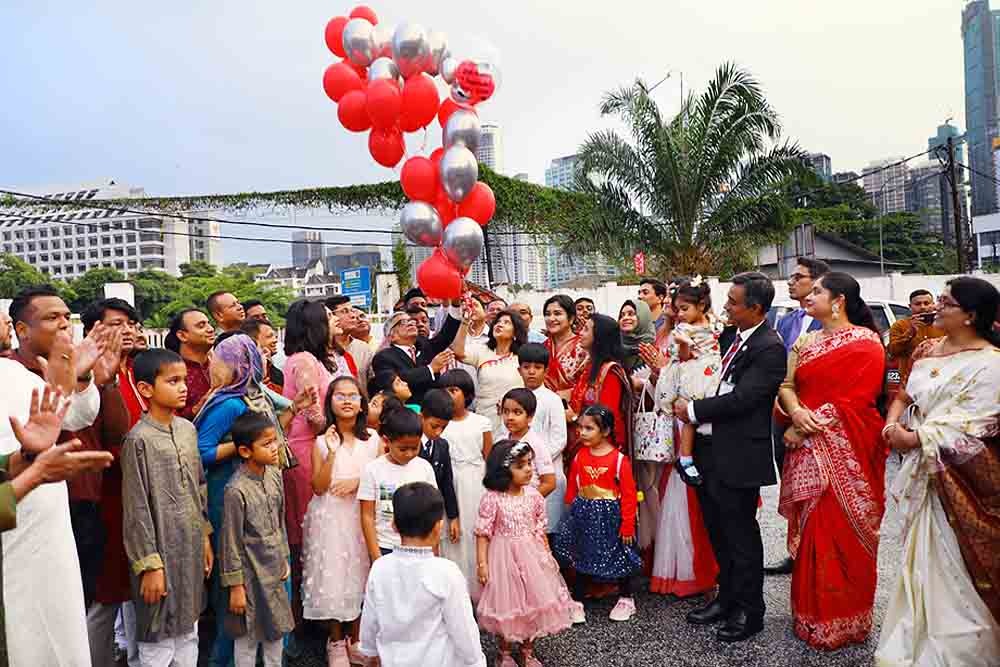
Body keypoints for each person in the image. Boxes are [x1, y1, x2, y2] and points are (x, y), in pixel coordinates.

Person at [876, 276, 1000, 665]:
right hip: (921, 470)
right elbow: (903, 393)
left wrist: (915, 439)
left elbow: (978, 425)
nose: (935, 308)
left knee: (955, 563)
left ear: (970, 315)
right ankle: (917, 636)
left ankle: (962, 648)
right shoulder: (924, 347)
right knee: (919, 559)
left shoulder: (992, 364)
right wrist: (891, 424)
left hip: (960, 479)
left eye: (945, 303)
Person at [673, 271, 785, 643]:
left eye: (733, 302)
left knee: (741, 537)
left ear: (754, 308)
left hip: (738, 454)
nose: (726, 307)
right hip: (710, 450)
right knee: (717, 531)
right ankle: (727, 597)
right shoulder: (731, 337)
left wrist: (693, 410)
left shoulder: (769, 347)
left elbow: (744, 399)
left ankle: (751, 612)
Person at [776, 272, 886, 650]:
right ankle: (810, 615)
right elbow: (787, 386)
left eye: (818, 290)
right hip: (808, 448)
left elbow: (856, 401)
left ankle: (846, 620)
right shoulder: (805, 343)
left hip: (848, 449)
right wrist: (794, 414)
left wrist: (805, 426)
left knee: (844, 532)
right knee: (813, 532)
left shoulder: (866, 342)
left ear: (838, 300)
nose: (809, 294)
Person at [2, 286, 106, 666]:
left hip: (51, 518)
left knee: (60, 620)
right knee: (22, 627)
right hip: (14, 516)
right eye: (51, 318)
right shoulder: (7, 372)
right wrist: (28, 458)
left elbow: (79, 416)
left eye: (66, 317)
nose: (64, 325)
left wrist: (79, 377)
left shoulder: (36, 372)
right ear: (21, 330)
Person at [196, 333, 311, 665]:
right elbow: (201, 451)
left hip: (258, 487)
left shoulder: (253, 395)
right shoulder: (231, 403)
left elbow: (273, 427)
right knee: (237, 584)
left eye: (218, 359)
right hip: (230, 492)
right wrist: (244, 445)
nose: (212, 364)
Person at [122, 349, 212, 667]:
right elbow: (136, 510)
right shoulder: (138, 440)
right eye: (172, 381)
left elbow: (199, 487)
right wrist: (150, 565)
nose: (183, 387)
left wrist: (204, 537)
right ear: (146, 389)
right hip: (158, 554)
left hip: (188, 548)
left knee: (188, 629)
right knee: (157, 637)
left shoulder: (187, 430)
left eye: (184, 380)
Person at [476, 440, 580, 666]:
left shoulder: (533, 496)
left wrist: (546, 556)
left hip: (531, 555)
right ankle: (504, 652)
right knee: (507, 603)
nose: (528, 469)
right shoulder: (492, 498)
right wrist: (482, 564)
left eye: (529, 463)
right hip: (503, 557)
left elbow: (539, 528)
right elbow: (483, 533)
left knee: (533, 602)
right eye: (520, 465)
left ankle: (528, 650)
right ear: (503, 469)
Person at [358, 482, 486, 667]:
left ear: (393, 525)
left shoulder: (380, 568)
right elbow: (463, 628)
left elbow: (370, 619)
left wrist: (369, 650)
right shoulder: (447, 572)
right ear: (438, 527)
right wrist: (475, 661)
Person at [301, 376, 379, 667]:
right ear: (330, 402)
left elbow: (382, 478)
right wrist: (332, 454)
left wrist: (358, 482)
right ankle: (335, 639)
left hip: (362, 516)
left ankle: (356, 638)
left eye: (353, 395)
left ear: (361, 403)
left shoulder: (374, 440)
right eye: (339, 395)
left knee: (361, 573)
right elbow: (318, 486)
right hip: (331, 518)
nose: (347, 400)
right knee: (333, 574)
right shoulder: (321, 442)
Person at [765, 257, 829, 576]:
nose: (791, 283)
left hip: (816, 417)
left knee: (819, 492)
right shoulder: (787, 320)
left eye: (798, 277)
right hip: (782, 411)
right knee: (790, 486)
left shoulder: (833, 324)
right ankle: (796, 549)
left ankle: (820, 551)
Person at [555, 405, 642, 623]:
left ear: (605, 431)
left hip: (611, 516)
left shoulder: (620, 460)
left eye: (589, 428)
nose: (581, 433)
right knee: (582, 554)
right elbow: (573, 488)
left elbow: (629, 496)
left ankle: (626, 597)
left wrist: (627, 525)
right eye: (580, 428)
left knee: (619, 554)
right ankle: (578, 600)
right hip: (584, 515)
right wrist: (570, 514)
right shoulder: (579, 456)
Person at [221, 412, 294, 667]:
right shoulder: (236, 490)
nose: (274, 448)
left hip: (274, 570)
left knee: (276, 633)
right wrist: (236, 587)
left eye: (275, 441)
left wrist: (284, 558)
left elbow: (280, 519)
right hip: (249, 576)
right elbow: (230, 542)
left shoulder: (274, 475)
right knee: (247, 639)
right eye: (266, 444)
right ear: (245, 451)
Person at [657, 280, 721, 486]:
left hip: (712, 371)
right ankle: (685, 458)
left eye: (684, 309)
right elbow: (684, 357)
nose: (680, 314)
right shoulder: (682, 330)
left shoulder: (714, 321)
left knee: (707, 411)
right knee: (690, 415)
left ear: (701, 306)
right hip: (694, 373)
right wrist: (684, 345)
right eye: (678, 310)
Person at [437, 369, 493, 598]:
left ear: (467, 393)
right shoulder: (439, 425)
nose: (448, 396)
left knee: (475, 532)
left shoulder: (481, 422)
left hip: (476, 483)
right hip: (450, 484)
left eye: (454, 390)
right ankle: (456, 594)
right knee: (452, 536)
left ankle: (482, 590)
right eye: (444, 391)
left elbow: (489, 457)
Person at [359, 408, 438, 560]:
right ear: (386, 441)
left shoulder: (424, 468)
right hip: (386, 546)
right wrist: (376, 555)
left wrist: (433, 550)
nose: (409, 454)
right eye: (402, 449)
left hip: (420, 546)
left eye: (414, 448)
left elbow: (433, 510)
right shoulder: (373, 470)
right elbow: (367, 516)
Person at [567, 314, 633, 466]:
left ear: (598, 337)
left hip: (601, 451)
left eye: (586, 330)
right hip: (584, 443)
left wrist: (575, 419)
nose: (580, 333)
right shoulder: (588, 367)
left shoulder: (609, 372)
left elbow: (607, 417)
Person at [516, 344, 568, 536]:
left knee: (546, 532)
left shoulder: (552, 400)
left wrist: (533, 459)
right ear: (519, 369)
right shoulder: (514, 397)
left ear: (546, 371)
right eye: (526, 367)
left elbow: (559, 439)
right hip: (519, 472)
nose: (531, 372)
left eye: (537, 367)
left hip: (548, 473)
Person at [452, 309, 527, 438]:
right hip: (484, 417)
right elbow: (458, 352)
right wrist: (465, 322)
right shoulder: (482, 351)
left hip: (512, 418)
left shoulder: (522, 356)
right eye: (498, 322)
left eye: (506, 322)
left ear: (515, 332)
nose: (500, 324)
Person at [372, 306, 461, 405]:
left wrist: (455, 305)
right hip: (405, 413)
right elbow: (397, 381)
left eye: (411, 321)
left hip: (434, 409)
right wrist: (430, 369)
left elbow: (446, 334)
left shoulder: (424, 346)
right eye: (403, 322)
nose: (411, 323)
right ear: (392, 336)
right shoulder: (383, 357)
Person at [419, 389, 461, 546]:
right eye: (434, 426)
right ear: (421, 416)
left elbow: (446, 483)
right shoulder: (408, 444)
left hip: (433, 514)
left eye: (443, 428)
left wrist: (453, 516)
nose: (438, 432)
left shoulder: (442, 445)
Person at [497, 388, 556, 497]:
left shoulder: (536, 444)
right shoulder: (501, 442)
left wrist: (526, 502)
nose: (510, 417)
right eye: (506, 411)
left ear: (530, 416)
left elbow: (549, 483)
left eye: (517, 412)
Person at [886, 288, 944, 389]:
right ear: (910, 307)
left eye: (927, 303)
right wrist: (909, 334)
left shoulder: (944, 324)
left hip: (939, 379)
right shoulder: (900, 325)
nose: (923, 307)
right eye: (918, 304)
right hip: (910, 381)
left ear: (933, 305)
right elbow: (892, 351)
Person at [165, 308, 217, 419]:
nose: (211, 329)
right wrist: (197, 408)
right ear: (182, 336)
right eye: (201, 326)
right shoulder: (170, 372)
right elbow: (166, 415)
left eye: (209, 324)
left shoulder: (219, 365)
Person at [542, 295, 589, 402]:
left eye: (557, 313)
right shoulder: (542, 347)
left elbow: (591, 384)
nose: (551, 318)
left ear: (571, 318)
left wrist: (571, 392)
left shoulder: (584, 347)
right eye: (547, 314)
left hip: (575, 409)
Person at [327, 296, 375, 395]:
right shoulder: (323, 350)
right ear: (331, 316)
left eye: (352, 311)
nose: (353, 316)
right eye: (345, 311)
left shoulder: (363, 348)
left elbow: (373, 382)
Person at [618, 299, 657, 391]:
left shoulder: (654, 347)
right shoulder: (614, 346)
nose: (625, 318)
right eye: (622, 315)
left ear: (643, 316)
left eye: (631, 314)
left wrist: (641, 384)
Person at [241, 318, 284, 392]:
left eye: (275, 336)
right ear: (252, 341)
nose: (275, 340)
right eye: (269, 336)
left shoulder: (273, 370)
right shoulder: (244, 377)